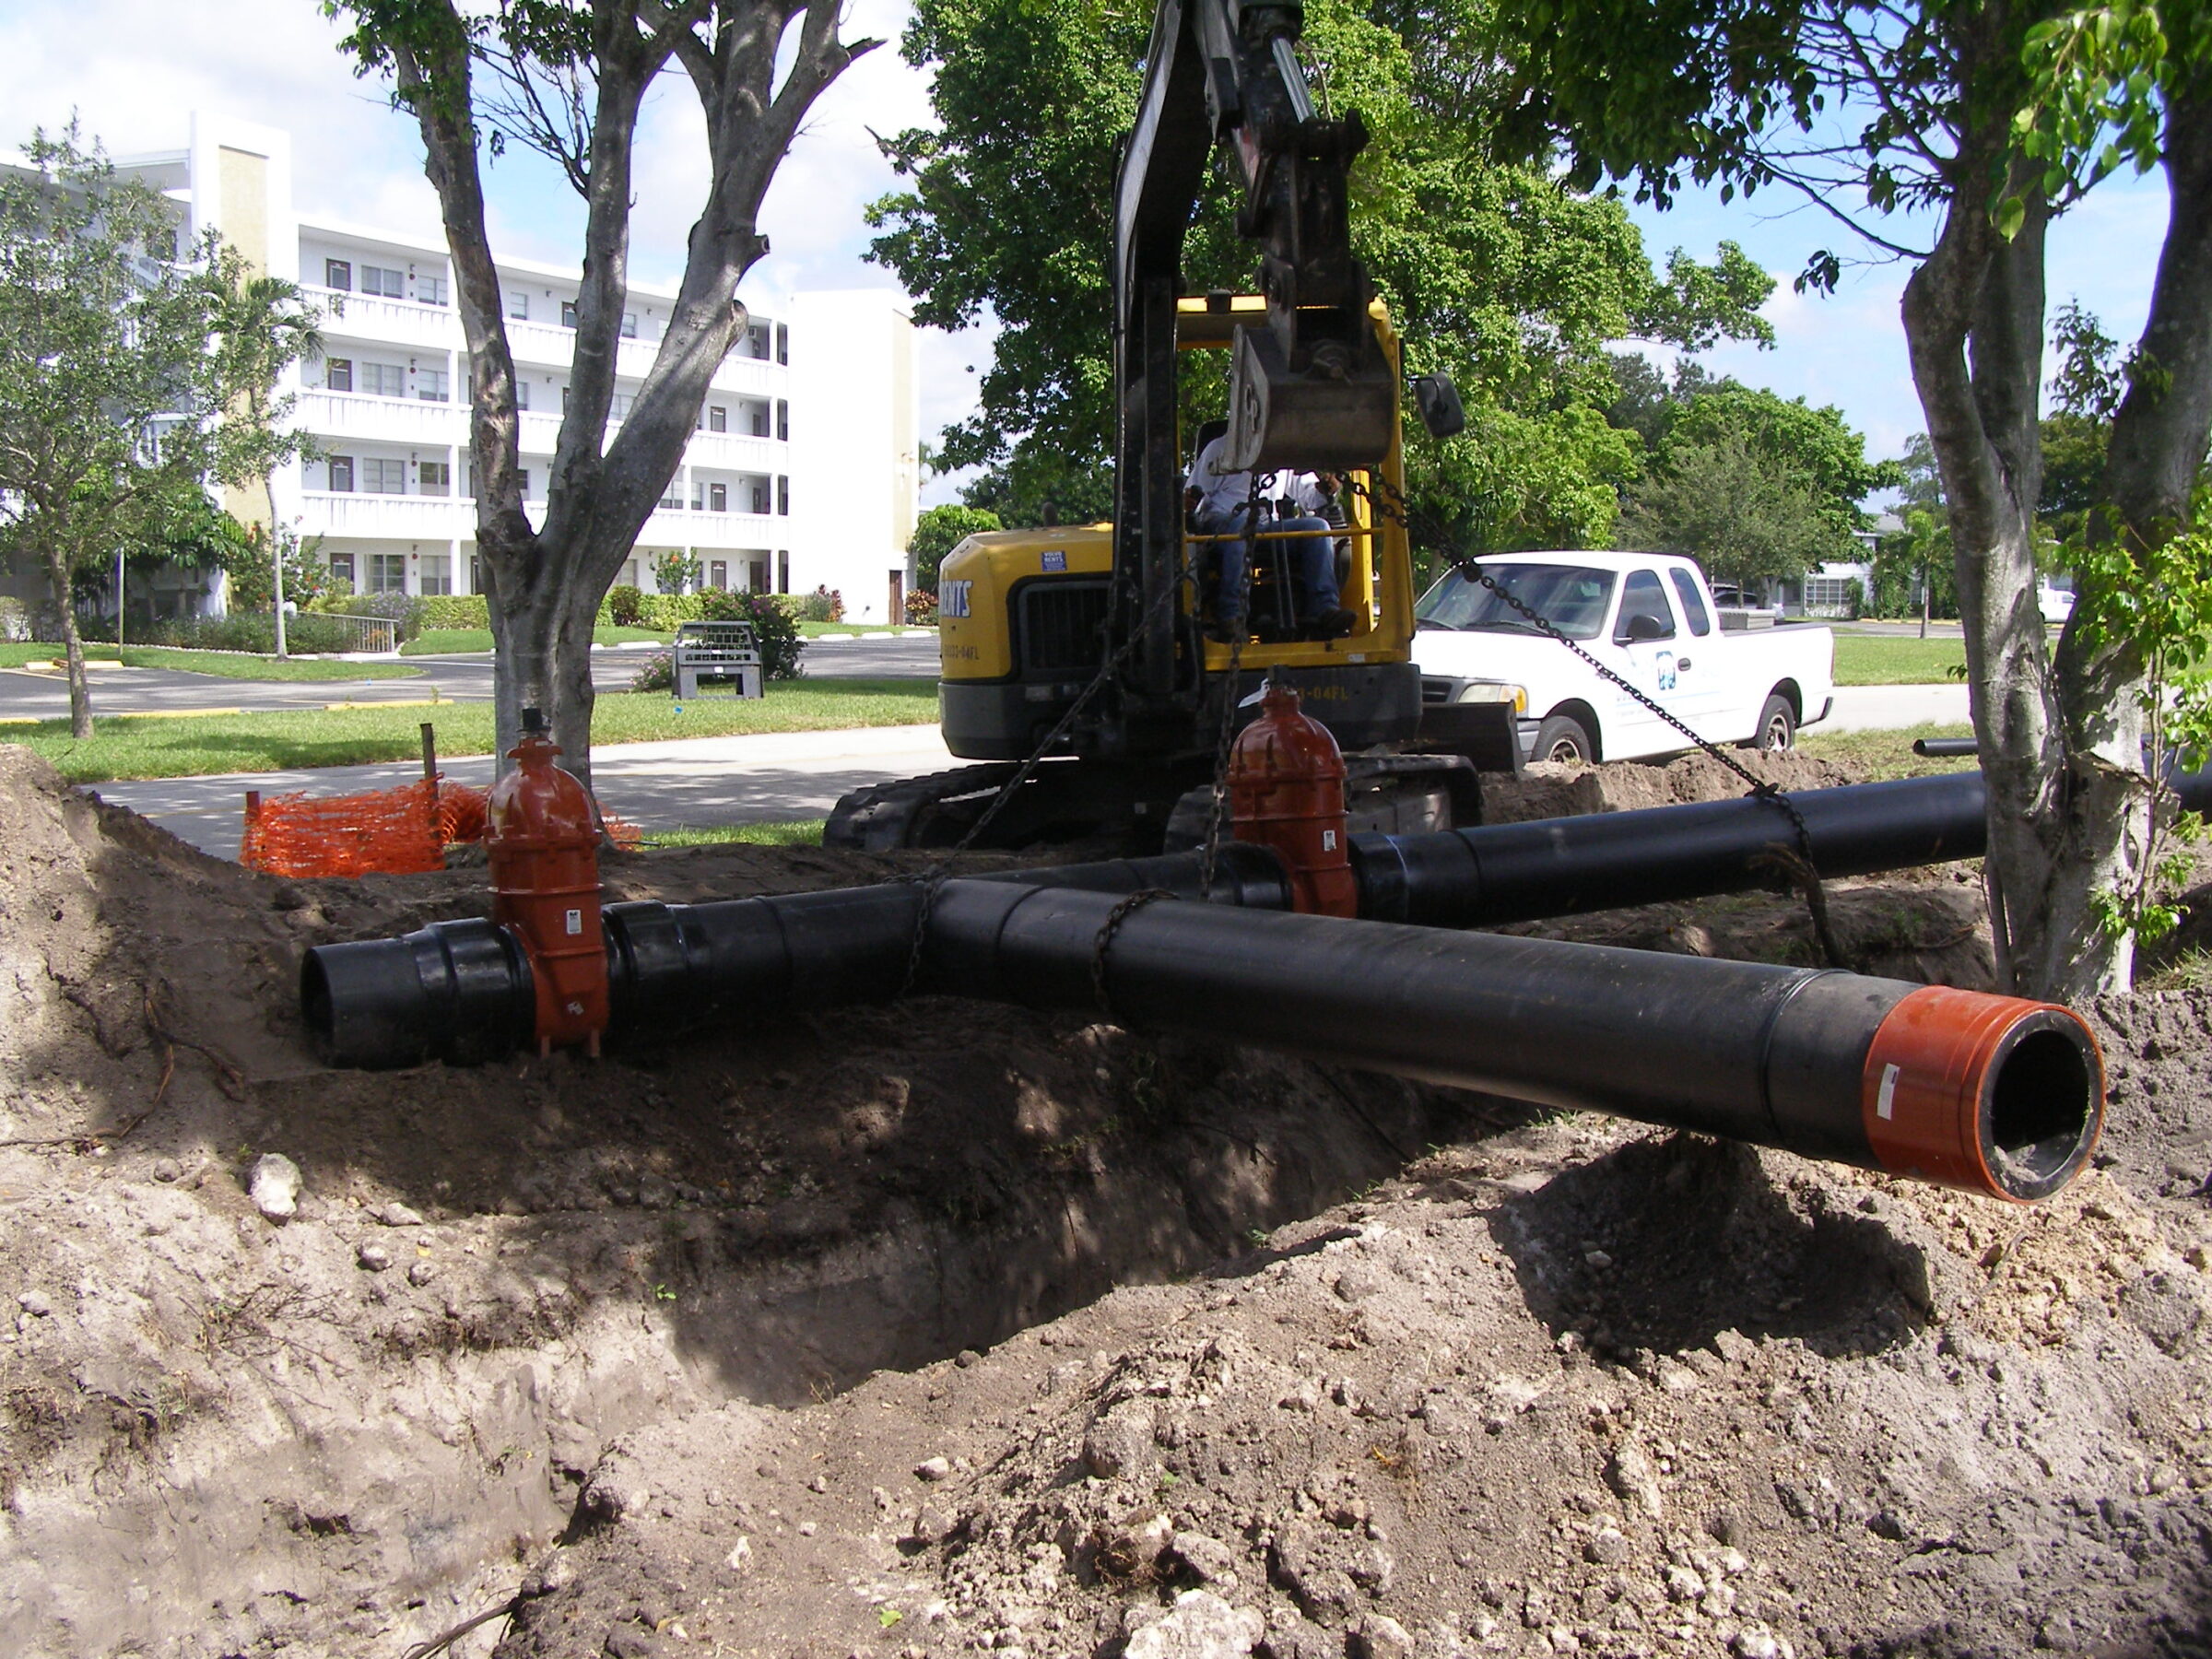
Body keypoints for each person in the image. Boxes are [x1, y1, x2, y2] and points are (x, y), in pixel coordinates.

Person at [1184, 436, 1352, 639]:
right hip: (1222, 525)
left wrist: (1323, 490)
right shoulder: (1219, 448)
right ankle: (1231, 616)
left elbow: (1309, 497)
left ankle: (1325, 609)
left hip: (1266, 526)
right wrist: (1192, 501)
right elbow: (1196, 494)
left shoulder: (1283, 451)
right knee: (1241, 526)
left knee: (1318, 528)